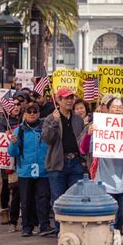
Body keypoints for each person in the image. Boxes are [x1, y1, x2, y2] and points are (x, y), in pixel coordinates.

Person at [80, 97, 123, 245]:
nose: (118, 109)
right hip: (104, 182)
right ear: (107, 109)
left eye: (121, 106)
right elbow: (83, 149)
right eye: (115, 106)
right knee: (108, 219)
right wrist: (89, 134)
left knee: (121, 217)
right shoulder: (98, 126)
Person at [42, 87, 85, 233]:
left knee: (75, 198)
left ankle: (73, 229)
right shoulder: (50, 118)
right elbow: (48, 139)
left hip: (76, 164)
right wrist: (54, 122)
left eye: (71, 98)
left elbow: (82, 141)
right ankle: (61, 230)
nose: (69, 101)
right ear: (58, 100)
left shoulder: (78, 120)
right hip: (57, 164)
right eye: (66, 98)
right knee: (58, 199)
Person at [7, 102, 54, 237]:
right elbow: (12, 153)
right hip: (26, 171)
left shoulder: (45, 128)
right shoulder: (19, 130)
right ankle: (27, 227)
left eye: (35, 111)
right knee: (26, 200)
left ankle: (44, 225)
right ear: (25, 114)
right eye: (29, 111)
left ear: (39, 113)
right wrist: (13, 143)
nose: (32, 114)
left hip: (43, 170)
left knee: (43, 198)